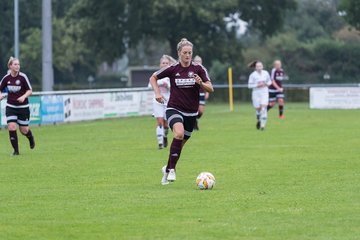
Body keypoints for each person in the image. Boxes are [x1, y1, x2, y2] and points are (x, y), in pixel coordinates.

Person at [149, 38, 214, 185]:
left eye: (190, 53)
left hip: (191, 114)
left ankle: (167, 169)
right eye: (185, 52)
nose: (187, 55)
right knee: (178, 134)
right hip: (174, 109)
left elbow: (210, 88)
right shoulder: (173, 69)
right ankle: (172, 170)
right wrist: (157, 93)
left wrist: (201, 83)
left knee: (179, 145)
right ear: (179, 53)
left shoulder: (199, 69)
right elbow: (153, 77)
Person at [0, 57, 35, 155]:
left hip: (23, 107)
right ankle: (16, 151)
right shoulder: (6, 78)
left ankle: (30, 137)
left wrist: (24, 96)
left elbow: (30, 91)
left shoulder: (23, 77)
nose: (17, 66)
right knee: (11, 127)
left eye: (18, 64)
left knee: (24, 130)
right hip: (11, 106)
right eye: (15, 64)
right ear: (10, 66)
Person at [148, 55, 176, 149]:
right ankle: (160, 144)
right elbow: (149, 86)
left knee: (166, 124)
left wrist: (167, 85)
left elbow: (175, 89)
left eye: (166, 63)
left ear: (169, 64)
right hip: (157, 102)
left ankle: (165, 136)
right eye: (163, 63)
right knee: (159, 121)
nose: (164, 64)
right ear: (160, 64)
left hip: (168, 102)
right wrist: (158, 85)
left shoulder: (171, 75)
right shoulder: (156, 75)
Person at [248, 60, 272, 130]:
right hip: (256, 93)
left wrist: (266, 84)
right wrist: (257, 85)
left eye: (260, 66)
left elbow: (270, 82)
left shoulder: (266, 73)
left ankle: (262, 126)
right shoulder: (252, 75)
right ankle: (258, 119)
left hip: (264, 92)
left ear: (262, 66)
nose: (259, 67)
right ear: (255, 67)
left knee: (264, 108)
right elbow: (249, 86)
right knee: (258, 109)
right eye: (258, 66)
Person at [193, 55, 210, 131]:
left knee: (201, 111)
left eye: (199, 61)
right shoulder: (192, 69)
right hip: (194, 93)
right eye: (196, 61)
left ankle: (194, 120)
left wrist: (207, 92)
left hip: (202, 92)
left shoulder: (203, 70)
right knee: (194, 109)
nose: (198, 62)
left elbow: (207, 82)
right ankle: (193, 122)